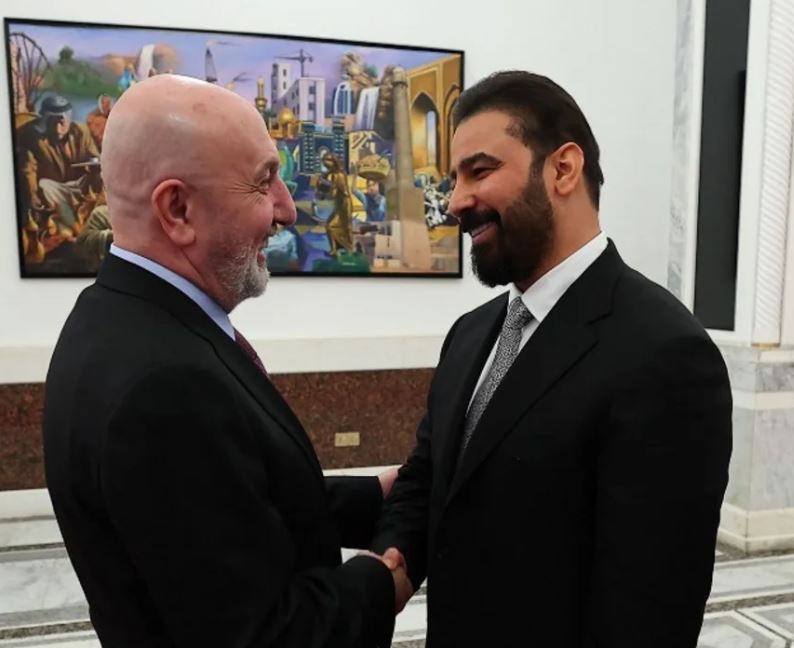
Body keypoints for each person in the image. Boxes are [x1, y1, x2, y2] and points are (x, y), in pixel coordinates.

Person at [43, 75, 411, 647]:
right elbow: (262, 635)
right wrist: (382, 579)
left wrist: (378, 494)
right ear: (178, 208)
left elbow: (218, 506)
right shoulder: (167, 387)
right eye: (265, 182)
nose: (287, 209)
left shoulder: (115, 318)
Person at [371, 71, 733, 647]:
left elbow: (649, 606)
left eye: (480, 171)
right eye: (454, 178)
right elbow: (431, 478)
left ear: (563, 169)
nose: (457, 201)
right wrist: (391, 569)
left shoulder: (665, 353)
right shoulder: (471, 333)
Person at [17, 94, 101, 235]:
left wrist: (95, 167)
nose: (57, 128)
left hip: (80, 185)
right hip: (54, 190)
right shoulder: (32, 137)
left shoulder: (81, 131)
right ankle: (76, 229)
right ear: (43, 120)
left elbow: (95, 158)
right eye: (52, 122)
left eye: (62, 122)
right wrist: (33, 195)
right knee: (44, 186)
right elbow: (28, 170)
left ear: (68, 119)